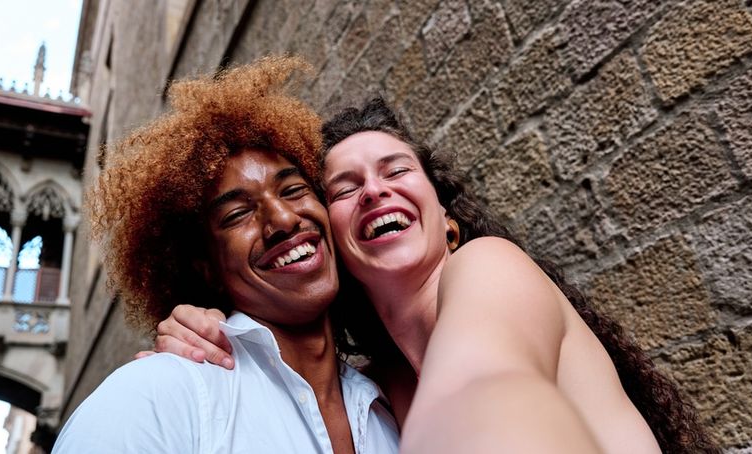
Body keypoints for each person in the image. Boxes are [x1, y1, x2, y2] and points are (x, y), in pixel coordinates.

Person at [151, 98, 717, 453]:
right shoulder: (376, 394)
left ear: (447, 221)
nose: (374, 190)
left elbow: (485, 394)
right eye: (345, 188)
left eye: (396, 170)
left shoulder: (489, 265)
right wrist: (202, 338)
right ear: (333, 246)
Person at [53, 57, 399, 453]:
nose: (283, 219)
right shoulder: (159, 398)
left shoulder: (390, 410)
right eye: (238, 214)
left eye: (293, 190)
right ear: (206, 268)